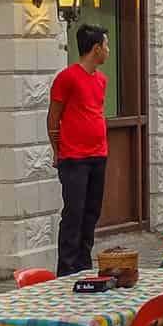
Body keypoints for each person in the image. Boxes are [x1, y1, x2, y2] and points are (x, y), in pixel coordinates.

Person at [50, 24, 110, 276]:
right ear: (96, 49)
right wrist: (57, 150)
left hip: (99, 155)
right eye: (106, 46)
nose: (108, 50)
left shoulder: (101, 80)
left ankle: (84, 266)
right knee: (74, 213)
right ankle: (66, 270)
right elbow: (54, 118)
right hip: (74, 158)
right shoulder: (67, 78)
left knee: (91, 212)